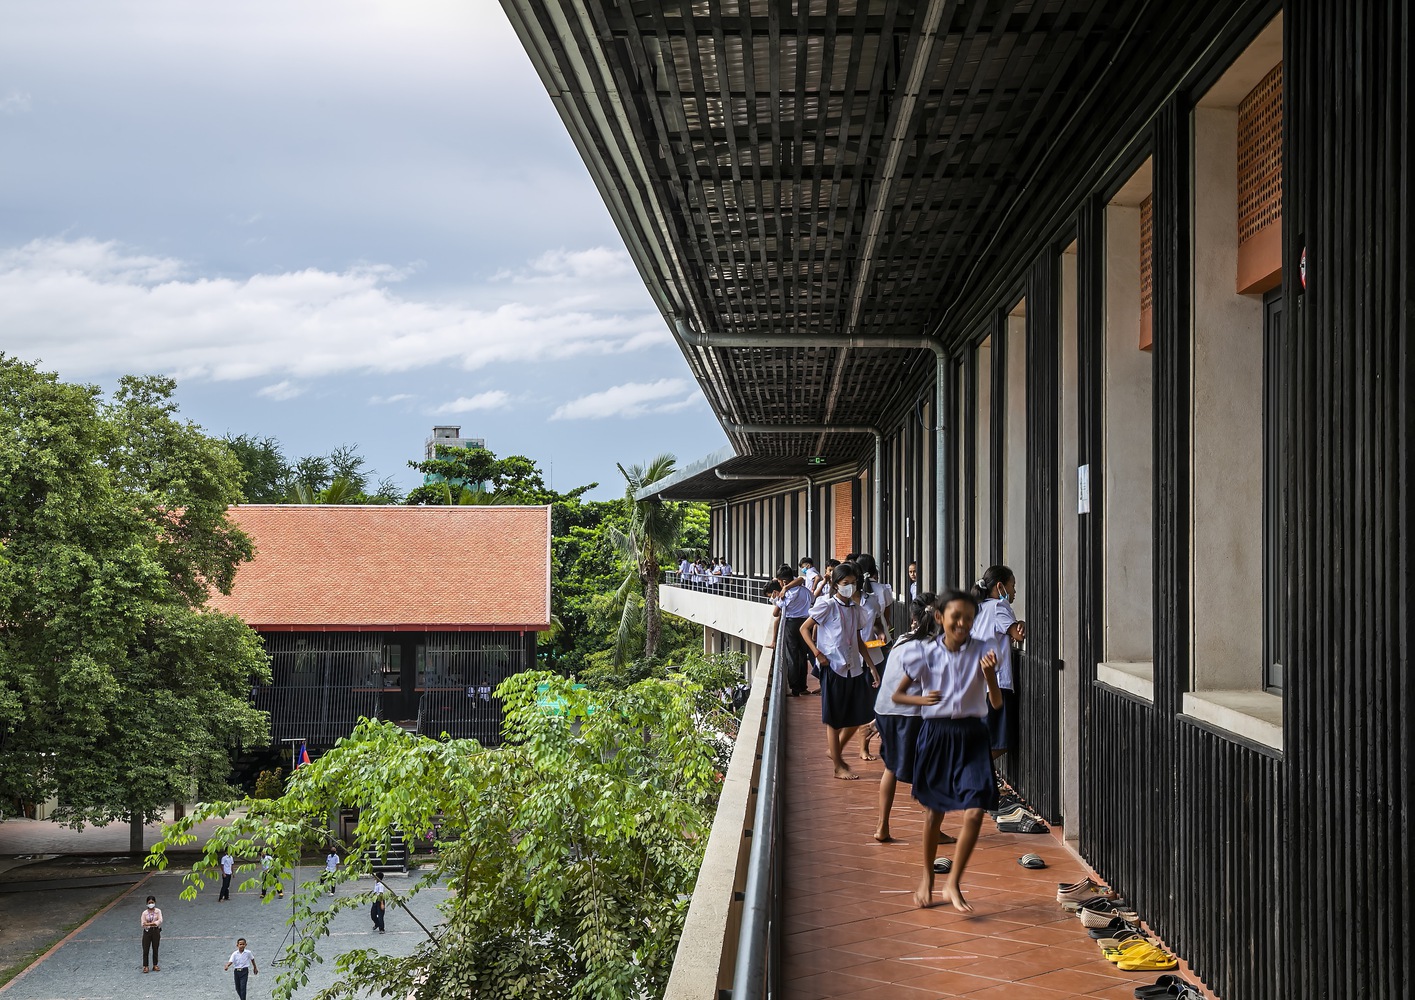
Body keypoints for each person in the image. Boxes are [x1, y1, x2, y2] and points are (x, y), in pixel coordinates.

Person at [892, 590, 1003, 912]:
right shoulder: (924, 654)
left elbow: (995, 703)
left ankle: (953, 880)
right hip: (937, 735)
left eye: (969, 617)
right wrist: (921, 700)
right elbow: (899, 696)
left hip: (972, 735)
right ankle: (927, 876)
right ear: (940, 617)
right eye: (957, 616)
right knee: (934, 811)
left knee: (975, 810)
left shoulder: (984, 651)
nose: (963, 622)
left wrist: (989, 676)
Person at [801, 562, 879, 780]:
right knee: (833, 720)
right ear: (836, 585)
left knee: (857, 716)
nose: (850, 588)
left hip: (853, 668)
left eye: (853, 584)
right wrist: (818, 654)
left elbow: (858, 640)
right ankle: (838, 766)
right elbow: (804, 629)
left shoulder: (856, 610)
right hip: (832, 667)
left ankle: (835, 752)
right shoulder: (827, 606)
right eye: (846, 584)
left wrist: (871, 668)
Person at [971, 565, 1027, 763]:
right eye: (1012, 586)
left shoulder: (979, 607)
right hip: (996, 682)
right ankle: (973, 771)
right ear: (1000, 586)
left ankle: (981, 777)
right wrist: (1022, 624)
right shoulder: (998, 607)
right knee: (999, 741)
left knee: (988, 737)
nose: (1014, 591)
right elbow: (1018, 635)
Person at [852, 554, 894, 760]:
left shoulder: (872, 599)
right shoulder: (840, 603)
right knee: (863, 703)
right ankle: (863, 745)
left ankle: (877, 740)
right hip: (855, 660)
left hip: (875, 654)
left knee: (878, 700)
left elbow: (880, 622)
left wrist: (881, 634)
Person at [770, 565, 813, 696]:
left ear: (783, 581)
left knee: (792, 656)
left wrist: (776, 599)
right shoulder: (804, 590)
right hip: (806, 623)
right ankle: (803, 686)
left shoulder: (786, 594)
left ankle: (795, 688)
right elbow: (812, 598)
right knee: (802, 656)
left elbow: (775, 613)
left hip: (791, 624)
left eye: (779, 581)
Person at [140, 894, 162, 973]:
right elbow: (142, 924)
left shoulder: (158, 911)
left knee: (155, 948)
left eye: (152, 902)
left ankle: (155, 964)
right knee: (146, 949)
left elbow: (159, 921)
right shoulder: (144, 913)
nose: (151, 904)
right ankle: (145, 966)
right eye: (149, 902)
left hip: (155, 931)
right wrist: (152, 924)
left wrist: (149, 924)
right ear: (147, 903)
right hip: (147, 932)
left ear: (155, 902)